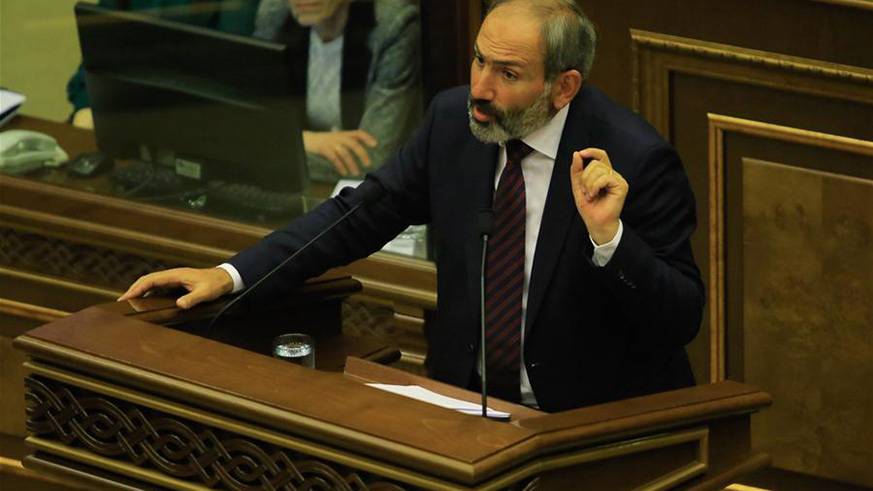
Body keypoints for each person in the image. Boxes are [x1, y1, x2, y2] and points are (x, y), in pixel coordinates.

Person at [120, 0, 705, 413]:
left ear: (565, 87)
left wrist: (611, 241)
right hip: (461, 407)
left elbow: (681, 318)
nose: (480, 87)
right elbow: (357, 215)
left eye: (507, 74)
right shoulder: (454, 123)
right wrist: (231, 274)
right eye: (479, 61)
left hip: (588, 426)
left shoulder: (636, 160)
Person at [251, 0, 421, 182]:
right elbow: (248, 130)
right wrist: (305, 140)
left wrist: (276, 144)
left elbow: (371, 159)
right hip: (294, 187)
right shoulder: (275, 12)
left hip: (366, 196)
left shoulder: (394, 25)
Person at [67, 0, 261, 129]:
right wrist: (86, 105)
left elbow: (228, 73)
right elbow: (98, 47)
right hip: (117, 115)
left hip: (191, 127)